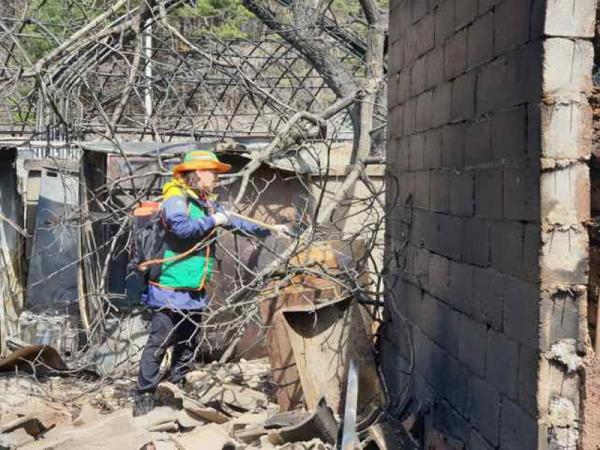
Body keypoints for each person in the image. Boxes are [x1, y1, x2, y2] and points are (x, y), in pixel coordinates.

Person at [133, 149, 287, 416]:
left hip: (194, 288)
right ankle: (144, 395)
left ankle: (176, 387)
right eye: (213, 172)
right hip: (169, 284)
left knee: (188, 342)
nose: (217, 178)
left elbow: (236, 222)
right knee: (160, 340)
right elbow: (181, 229)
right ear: (198, 173)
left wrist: (270, 229)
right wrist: (214, 220)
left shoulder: (205, 202)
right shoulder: (175, 198)